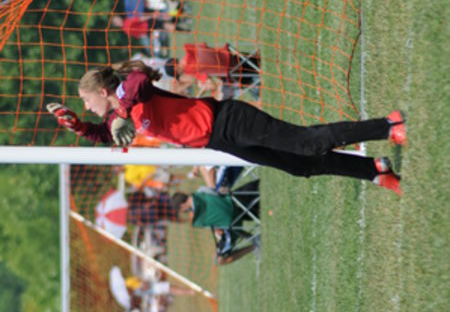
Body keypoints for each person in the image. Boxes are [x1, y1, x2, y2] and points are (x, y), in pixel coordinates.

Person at [47, 60, 407, 195]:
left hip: (229, 119)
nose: (86, 107)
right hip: (221, 141)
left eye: (86, 101)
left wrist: (124, 110)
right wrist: (78, 126)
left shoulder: (128, 91)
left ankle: (388, 125)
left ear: (103, 92)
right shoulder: (115, 120)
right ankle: (375, 171)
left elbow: (141, 79)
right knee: (300, 166)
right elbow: (103, 133)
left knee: (307, 143)